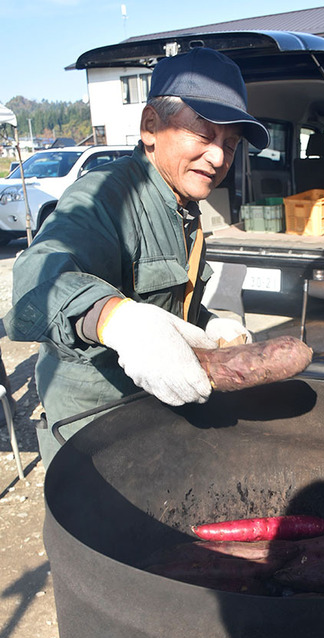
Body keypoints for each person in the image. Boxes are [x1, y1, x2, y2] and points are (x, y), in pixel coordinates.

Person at [5, 48, 269, 467]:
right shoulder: (105, 195)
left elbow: (161, 311)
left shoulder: (184, 208)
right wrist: (116, 320)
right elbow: (38, 276)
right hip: (94, 437)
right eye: (204, 134)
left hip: (154, 424)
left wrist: (208, 323)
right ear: (150, 126)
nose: (219, 157)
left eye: (230, 144)